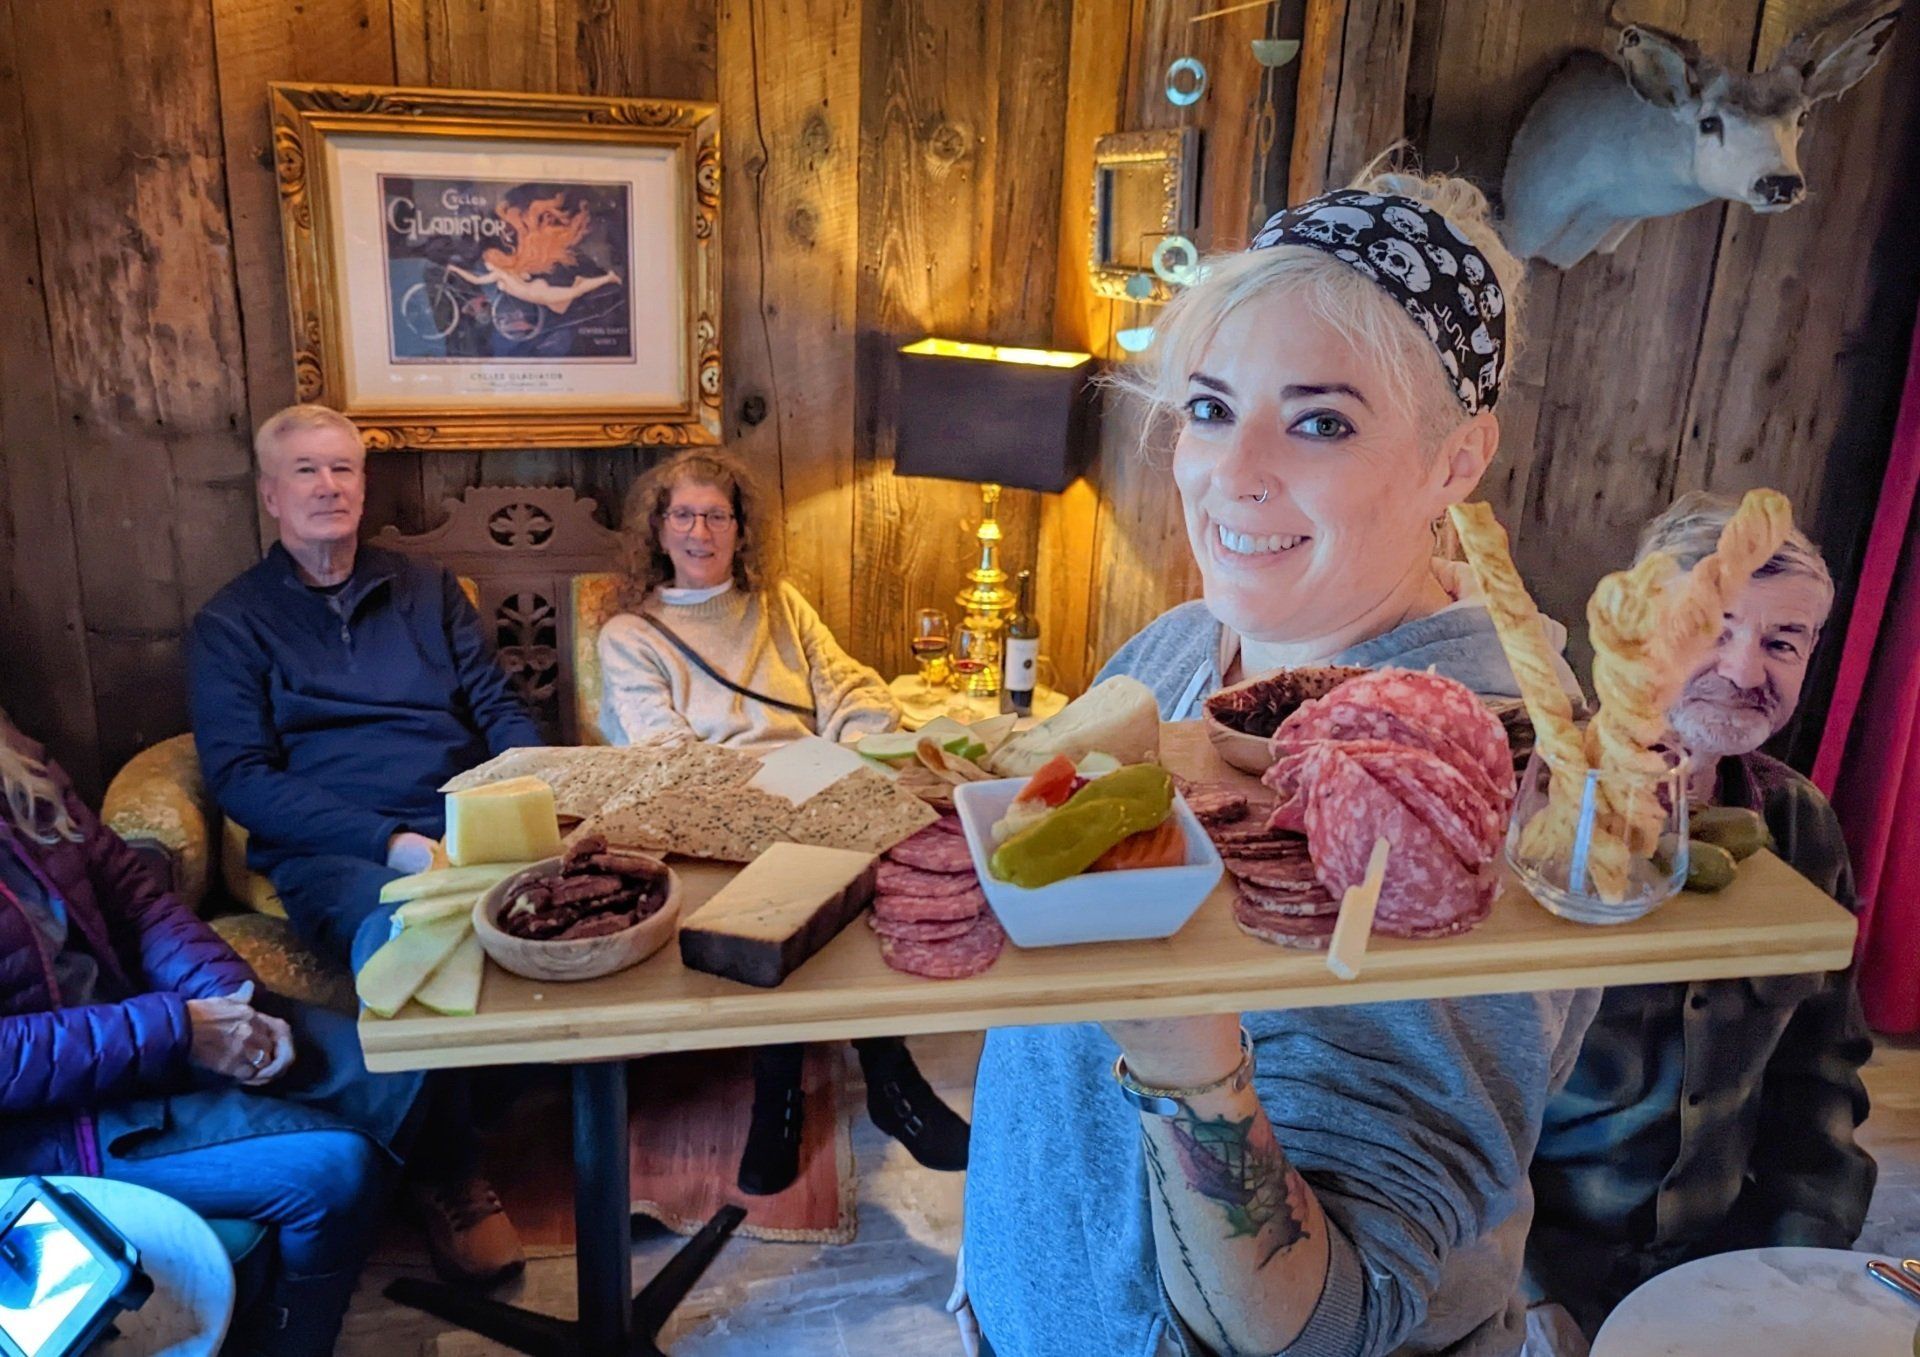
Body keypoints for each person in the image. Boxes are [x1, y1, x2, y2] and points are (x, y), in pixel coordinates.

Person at [957, 171, 1601, 1357]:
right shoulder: (1179, 655)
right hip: (1040, 1308)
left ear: (1459, 460)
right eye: (1209, 406)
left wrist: (1180, 1051)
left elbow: (1323, 1326)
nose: (1231, 471)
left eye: (1320, 422)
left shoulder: (1471, 784)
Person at [187, 403, 542, 1288]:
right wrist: (389, 843)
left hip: (457, 813)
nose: (329, 486)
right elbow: (240, 775)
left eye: (343, 468)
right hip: (333, 846)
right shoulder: (232, 622)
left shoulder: (425, 588)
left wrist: (532, 783)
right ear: (271, 494)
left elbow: (494, 707)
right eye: (306, 471)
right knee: (410, 937)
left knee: (568, 905)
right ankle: (449, 1175)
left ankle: (513, 1108)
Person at [1524, 494, 1875, 1346]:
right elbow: (1457, 1101)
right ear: (1642, 632)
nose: (1744, 668)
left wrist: (1800, 1269)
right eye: (1710, 629)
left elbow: (1820, 1081)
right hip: (1535, 1272)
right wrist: (1526, 1296)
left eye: (1781, 642)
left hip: (1721, 1264)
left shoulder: (1801, 824)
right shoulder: (1535, 818)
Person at [600, 450, 969, 1194]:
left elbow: (847, 684)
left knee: (893, 839)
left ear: (741, 529)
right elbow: (662, 746)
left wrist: (858, 751)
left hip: (819, 780)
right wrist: (766, 790)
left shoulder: (780, 603)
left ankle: (881, 1079)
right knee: (793, 878)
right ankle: (798, 1088)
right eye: (684, 515)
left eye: (717, 514)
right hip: (720, 803)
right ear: (658, 529)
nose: (701, 530)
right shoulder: (629, 634)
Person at [0, 709, 417, 1356]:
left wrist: (224, 993)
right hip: (44, 1130)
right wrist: (179, 1030)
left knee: (392, 1066)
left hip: (132, 1037)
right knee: (335, 1172)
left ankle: (308, 1281)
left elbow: (133, 896)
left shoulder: (13, 752)